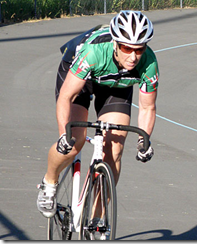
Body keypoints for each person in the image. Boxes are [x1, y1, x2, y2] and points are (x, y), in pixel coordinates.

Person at [37, 9, 159, 232]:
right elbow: (66, 97)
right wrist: (65, 136)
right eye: (126, 48)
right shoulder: (94, 52)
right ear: (115, 43)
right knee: (75, 142)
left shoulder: (149, 63)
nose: (133, 56)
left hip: (115, 86)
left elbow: (147, 106)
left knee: (114, 149)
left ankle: (97, 217)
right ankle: (49, 181)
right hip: (80, 77)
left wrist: (144, 141)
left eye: (139, 49)